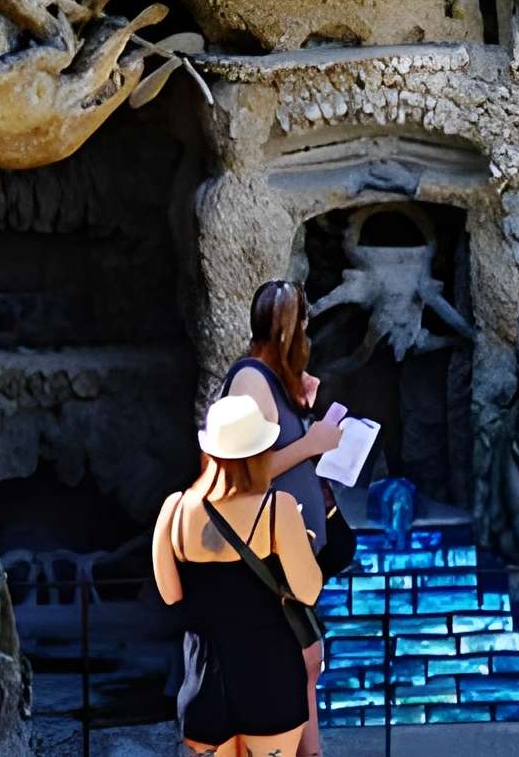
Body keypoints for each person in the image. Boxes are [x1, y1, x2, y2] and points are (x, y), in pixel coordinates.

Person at [153, 391, 324, 757]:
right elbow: (308, 591)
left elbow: (170, 595)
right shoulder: (276, 510)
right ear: (260, 453)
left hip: (204, 681)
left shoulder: (174, 510)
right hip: (269, 677)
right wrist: (298, 544)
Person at [220, 282, 351, 757]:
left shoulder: (274, 381)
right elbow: (242, 471)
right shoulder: (251, 381)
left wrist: (304, 409)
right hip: (263, 557)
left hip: (289, 553)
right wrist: (312, 442)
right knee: (297, 661)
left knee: (308, 659)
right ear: (291, 330)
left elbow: (282, 452)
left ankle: (309, 751)